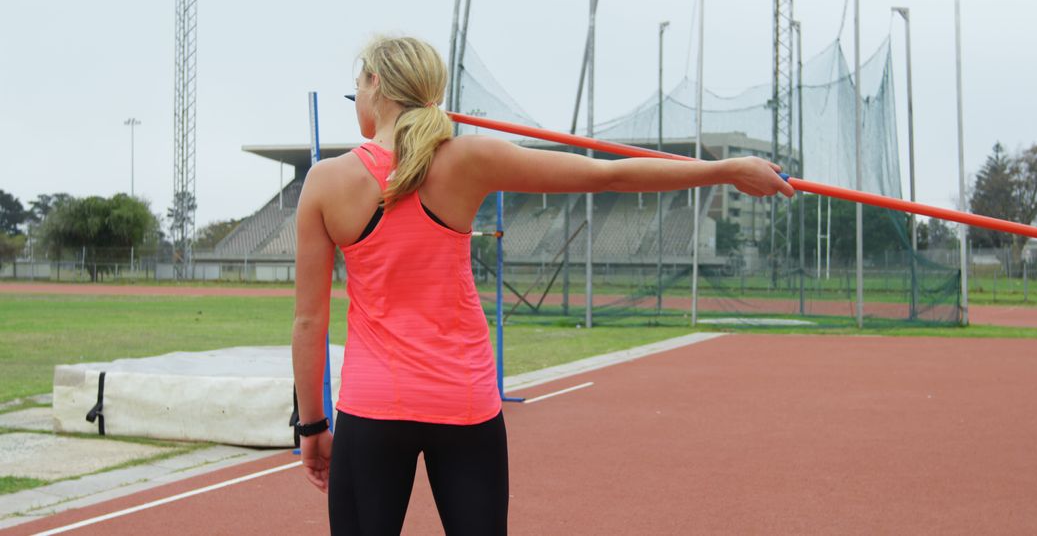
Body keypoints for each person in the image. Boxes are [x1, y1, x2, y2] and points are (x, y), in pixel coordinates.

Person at [291, 35, 793, 535]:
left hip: (372, 407)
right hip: (463, 402)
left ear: (376, 83)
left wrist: (312, 424)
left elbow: (310, 319)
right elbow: (607, 178)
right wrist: (726, 170)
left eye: (356, 85)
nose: (356, 97)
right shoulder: (467, 160)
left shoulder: (326, 181)